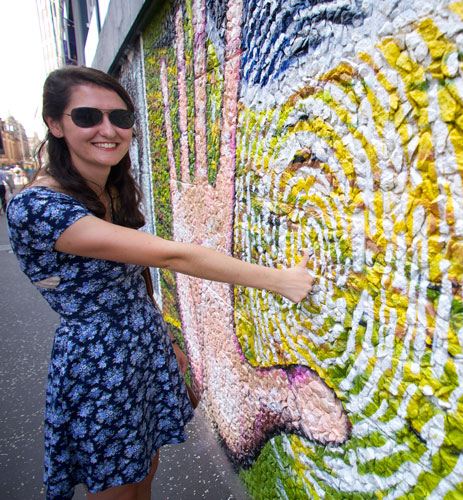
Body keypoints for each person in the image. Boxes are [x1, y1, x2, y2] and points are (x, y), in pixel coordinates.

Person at [6, 66, 313, 500]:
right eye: (88, 117)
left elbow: (134, 278)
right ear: (55, 124)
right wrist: (280, 281)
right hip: (100, 367)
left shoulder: (107, 188)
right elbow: (171, 255)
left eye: (121, 118)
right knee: (116, 489)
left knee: (144, 471)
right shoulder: (37, 208)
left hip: (140, 347)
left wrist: (164, 341)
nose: (108, 130)